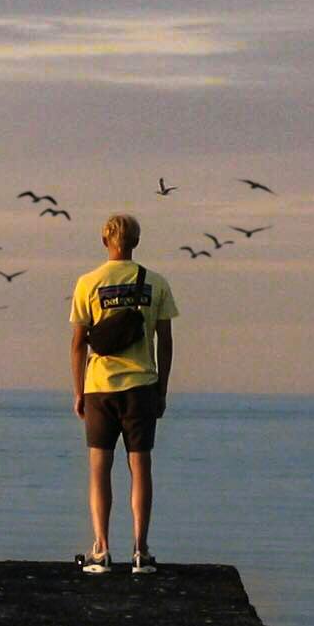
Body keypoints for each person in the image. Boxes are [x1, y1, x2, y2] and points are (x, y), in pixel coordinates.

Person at [67, 210, 177, 574]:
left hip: (100, 387)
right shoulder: (156, 283)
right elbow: (165, 341)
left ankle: (101, 550)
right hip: (141, 386)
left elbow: (78, 344)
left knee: (99, 468)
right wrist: (161, 389)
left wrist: (79, 390)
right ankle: (140, 551)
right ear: (137, 242)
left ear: (105, 241)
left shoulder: (88, 283)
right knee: (140, 467)